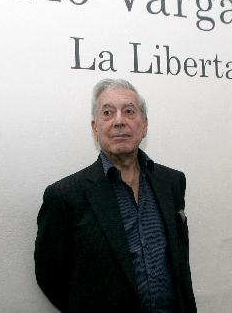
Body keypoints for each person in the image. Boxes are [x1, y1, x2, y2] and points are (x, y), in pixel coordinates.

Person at [34, 78, 196, 313]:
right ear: (95, 127)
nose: (119, 121)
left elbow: (180, 261)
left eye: (129, 111)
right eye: (108, 113)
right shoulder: (65, 196)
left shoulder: (172, 182)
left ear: (144, 125)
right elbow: (50, 276)